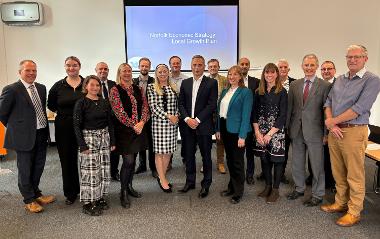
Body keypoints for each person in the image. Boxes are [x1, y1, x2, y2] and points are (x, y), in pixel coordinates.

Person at [321, 45, 380, 227]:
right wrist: (330, 120)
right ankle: (341, 202)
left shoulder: (372, 80)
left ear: (365, 59)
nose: (352, 60)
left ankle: (354, 211)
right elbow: (328, 101)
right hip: (335, 131)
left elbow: (359, 108)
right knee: (338, 171)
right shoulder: (339, 79)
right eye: (349, 57)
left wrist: (333, 121)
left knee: (354, 174)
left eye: (357, 56)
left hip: (353, 131)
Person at [0, 60, 55, 213]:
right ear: (20, 72)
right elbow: (2, 113)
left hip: (41, 133)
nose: (32, 73)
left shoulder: (41, 88)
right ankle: (29, 199)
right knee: (25, 169)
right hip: (23, 137)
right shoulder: (11, 89)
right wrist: (18, 128)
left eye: (34, 70)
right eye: (28, 70)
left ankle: (36, 193)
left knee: (38, 166)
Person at [286, 54, 331, 207]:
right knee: (297, 162)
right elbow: (290, 108)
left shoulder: (325, 85)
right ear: (302, 66)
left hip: (315, 131)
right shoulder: (294, 85)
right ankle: (299, 188)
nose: (309, 68)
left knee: (317, 164)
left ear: (317, 66)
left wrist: (326, 133)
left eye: (312, 65)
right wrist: (287, 128)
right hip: (296, 130)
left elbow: (327, 111)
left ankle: (318, 194)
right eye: (306, 65)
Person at [73, 75, 116, 216]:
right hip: (88, 139)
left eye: (97, 85)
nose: (95, 88)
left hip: (104, 137)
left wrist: (113, 141)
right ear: (86, 86)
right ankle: (88, 202)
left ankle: (100, 198)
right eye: (92, 85)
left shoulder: (104, 102)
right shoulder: (81, 103)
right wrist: (82, 145)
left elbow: (110, 123)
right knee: (90, 172)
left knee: (104, 170)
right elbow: (76, 125)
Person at [109, 63, 150, 208]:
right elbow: (119, 112)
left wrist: (142, 122)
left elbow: (145, 106)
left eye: (129, 70)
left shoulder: (138, 88)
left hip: (139, 129)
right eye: (124, 71)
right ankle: (123, 191)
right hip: (124, 131)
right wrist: (134, 125)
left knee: (134, 159)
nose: (127, 73)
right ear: (119, 73)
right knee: (128, 161)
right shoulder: (115, 90)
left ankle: (130, 186)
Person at [178, 55, 218, 198]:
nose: (197, 67)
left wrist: (198, 120)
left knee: (206, 156)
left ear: (204, 66)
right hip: (187, 126)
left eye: (200, 65)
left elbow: (212, 104)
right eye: (194, 64)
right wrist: (188, 119)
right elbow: (181, 103)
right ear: (191, 65)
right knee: (189, 155)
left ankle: (206, 184)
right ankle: (190, 182)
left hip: (204, 126)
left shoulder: (211, 83)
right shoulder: (185, 83)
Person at [48, 56, 84, 205]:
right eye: (68, 65)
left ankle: (89, 189)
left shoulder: (87, 83)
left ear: (79, 66)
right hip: (64, 127)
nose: (71, 68)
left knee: (87, 160)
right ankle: (71, 192)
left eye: (74, 65)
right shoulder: (58, 86)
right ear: (65, 67)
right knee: (67, 160)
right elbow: (51, 105)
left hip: (85, 126)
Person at [216, 65, 253, 204]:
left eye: (235, 74)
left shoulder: (246, 92)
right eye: (230, 74)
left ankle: (238, 192)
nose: (232, 77)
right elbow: (220, 112)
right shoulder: (225, 91)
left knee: (237, 162)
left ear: (240, 77)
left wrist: (242, 136)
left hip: (238, 132)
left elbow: (246, 116)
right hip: (226, 129)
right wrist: (218, 129)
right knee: (230, 161)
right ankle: (231, 187)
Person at [253, 63, 288, 203]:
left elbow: (283, 115)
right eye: (267, 72)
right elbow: (254, 113)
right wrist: (257, 132)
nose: (269, 75)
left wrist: (270, 134)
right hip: (260, 131)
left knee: (277, 160)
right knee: (264, 159)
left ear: (276, 74)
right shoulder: (258, 91)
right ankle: (267, 186)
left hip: (276, 132)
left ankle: (275, 190)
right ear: (264, 74)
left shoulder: (282, 91)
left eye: (272, 72)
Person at [147, 64, 179, 193]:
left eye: (165, 71)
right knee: (160, 153)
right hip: (159, 124)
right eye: (160, 71)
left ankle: (162, 176)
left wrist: (177, 115)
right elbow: (153, 107)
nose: (162, 73)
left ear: (168, 72)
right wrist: (168, 116)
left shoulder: (173, 87)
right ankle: (162, 179)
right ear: (156, 73)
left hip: (173, 124)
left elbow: (178, 103)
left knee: (168, 152)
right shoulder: (151, 87)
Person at [95, 62, 120, 182]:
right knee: (99, 150)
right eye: (100, 69)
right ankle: (101, 174)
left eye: (105, 69)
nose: (103, 71)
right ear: (96, 70)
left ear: (108, 71)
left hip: (113, 122)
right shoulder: (92, 85)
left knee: (114, 149)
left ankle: (114, 172)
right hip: (98, 123)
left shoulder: (113, 85)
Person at [133, 57, 157, 178]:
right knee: (141, 141)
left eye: (146, 66)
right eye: (142, 66)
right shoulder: (133, 81)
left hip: (152, 117)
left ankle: (153, 167)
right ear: (139, 67)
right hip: (138, 118)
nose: (144, 68)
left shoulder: (154, 81)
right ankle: (142, 165)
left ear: (149, 67)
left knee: (152, 142)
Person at [238, 57, 260, 185]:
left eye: (247, 64)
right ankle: (239, 174)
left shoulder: (255, 82)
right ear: (238, 65)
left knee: (250, 151)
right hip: (237, 121)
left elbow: (258, 102)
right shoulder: (233, 81)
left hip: (251, 121)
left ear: (249, 66)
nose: (244, 66)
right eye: (242, 64)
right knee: (238, 151)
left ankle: (250, 174)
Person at [277, 59, 296, 185]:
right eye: (280, 67)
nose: (283, 69)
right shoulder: (271, 82)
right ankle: (266, 172)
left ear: (288, 69)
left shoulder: (295, 83)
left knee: (284, 149)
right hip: (273, 122)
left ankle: (281, 173)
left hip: (289, 122)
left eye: (285, 67)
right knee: (270, 148)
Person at [208, 59, 228, 174]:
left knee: (220, 140)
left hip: (220, 113)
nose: (212, 68)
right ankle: (207, 162)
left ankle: (220, 162)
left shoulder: (225, 80)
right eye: (210, 67)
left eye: (215, 66)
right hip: (207, 114)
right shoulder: (203, 80)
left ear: (218, 67)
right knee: (206, 140)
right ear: (207, 68)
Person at [168, 55, 188, 168]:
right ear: (170, 65)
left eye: (178, 63)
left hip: (183, 113)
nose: (176, 65)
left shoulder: (186, 79)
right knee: (169, 137)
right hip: (170, 115)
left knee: (186, 137)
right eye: (173, 63)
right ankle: (168, 161)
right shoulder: (165, 78)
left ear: (181, 64)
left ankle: (185, 158)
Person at [320, 60, 337, 191]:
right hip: (318, 126)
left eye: (329, 69)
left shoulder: (339, 85)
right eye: (324, 69)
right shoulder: (319, 85)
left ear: (334, 70)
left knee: (332, 157)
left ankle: (332, 182)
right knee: (320, 155)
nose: (326, 71)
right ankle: (320, 178)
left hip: (333, 126)